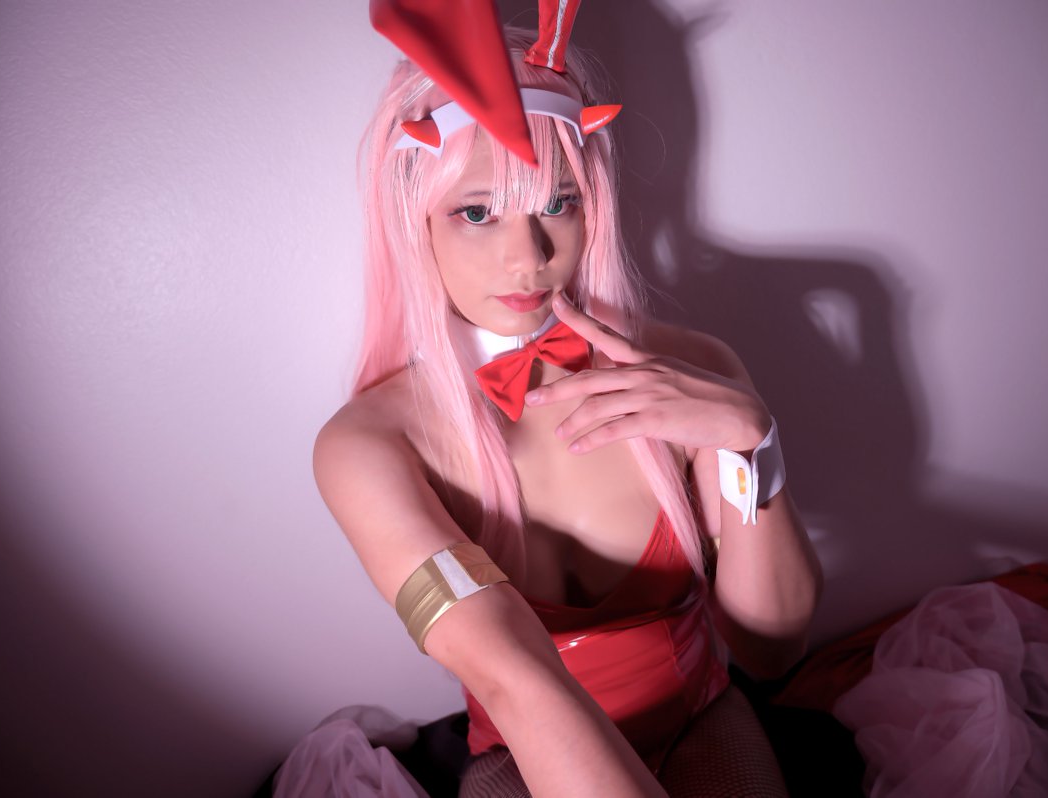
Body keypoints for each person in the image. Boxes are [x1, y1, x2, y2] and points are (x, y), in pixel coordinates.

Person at [313, 5, 823, 795]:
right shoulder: (367, 445)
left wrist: (753, 443)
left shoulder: (693, 367)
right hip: (524, 755)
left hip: (700, 715)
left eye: (558, 203)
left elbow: (772, 650)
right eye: (477, 212)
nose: (530, 257)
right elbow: (516, 682)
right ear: (414, 222)